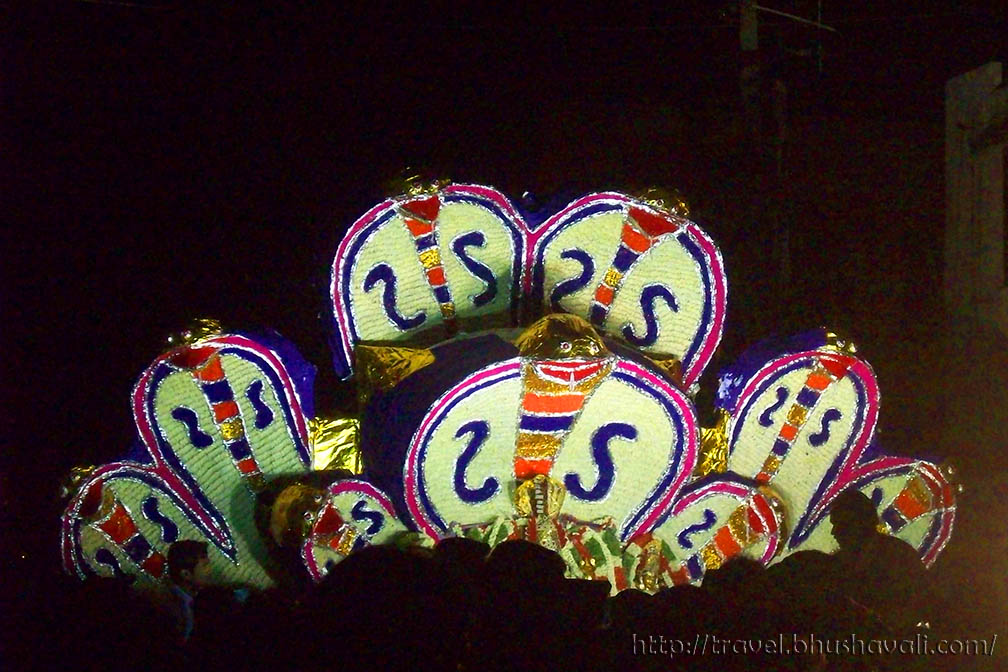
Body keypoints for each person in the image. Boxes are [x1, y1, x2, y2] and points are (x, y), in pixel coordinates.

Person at [166, 539, 211, 642]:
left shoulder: (199, 596)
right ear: (186, 574)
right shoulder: (176, 611)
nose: (210, 570)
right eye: (204, 566)